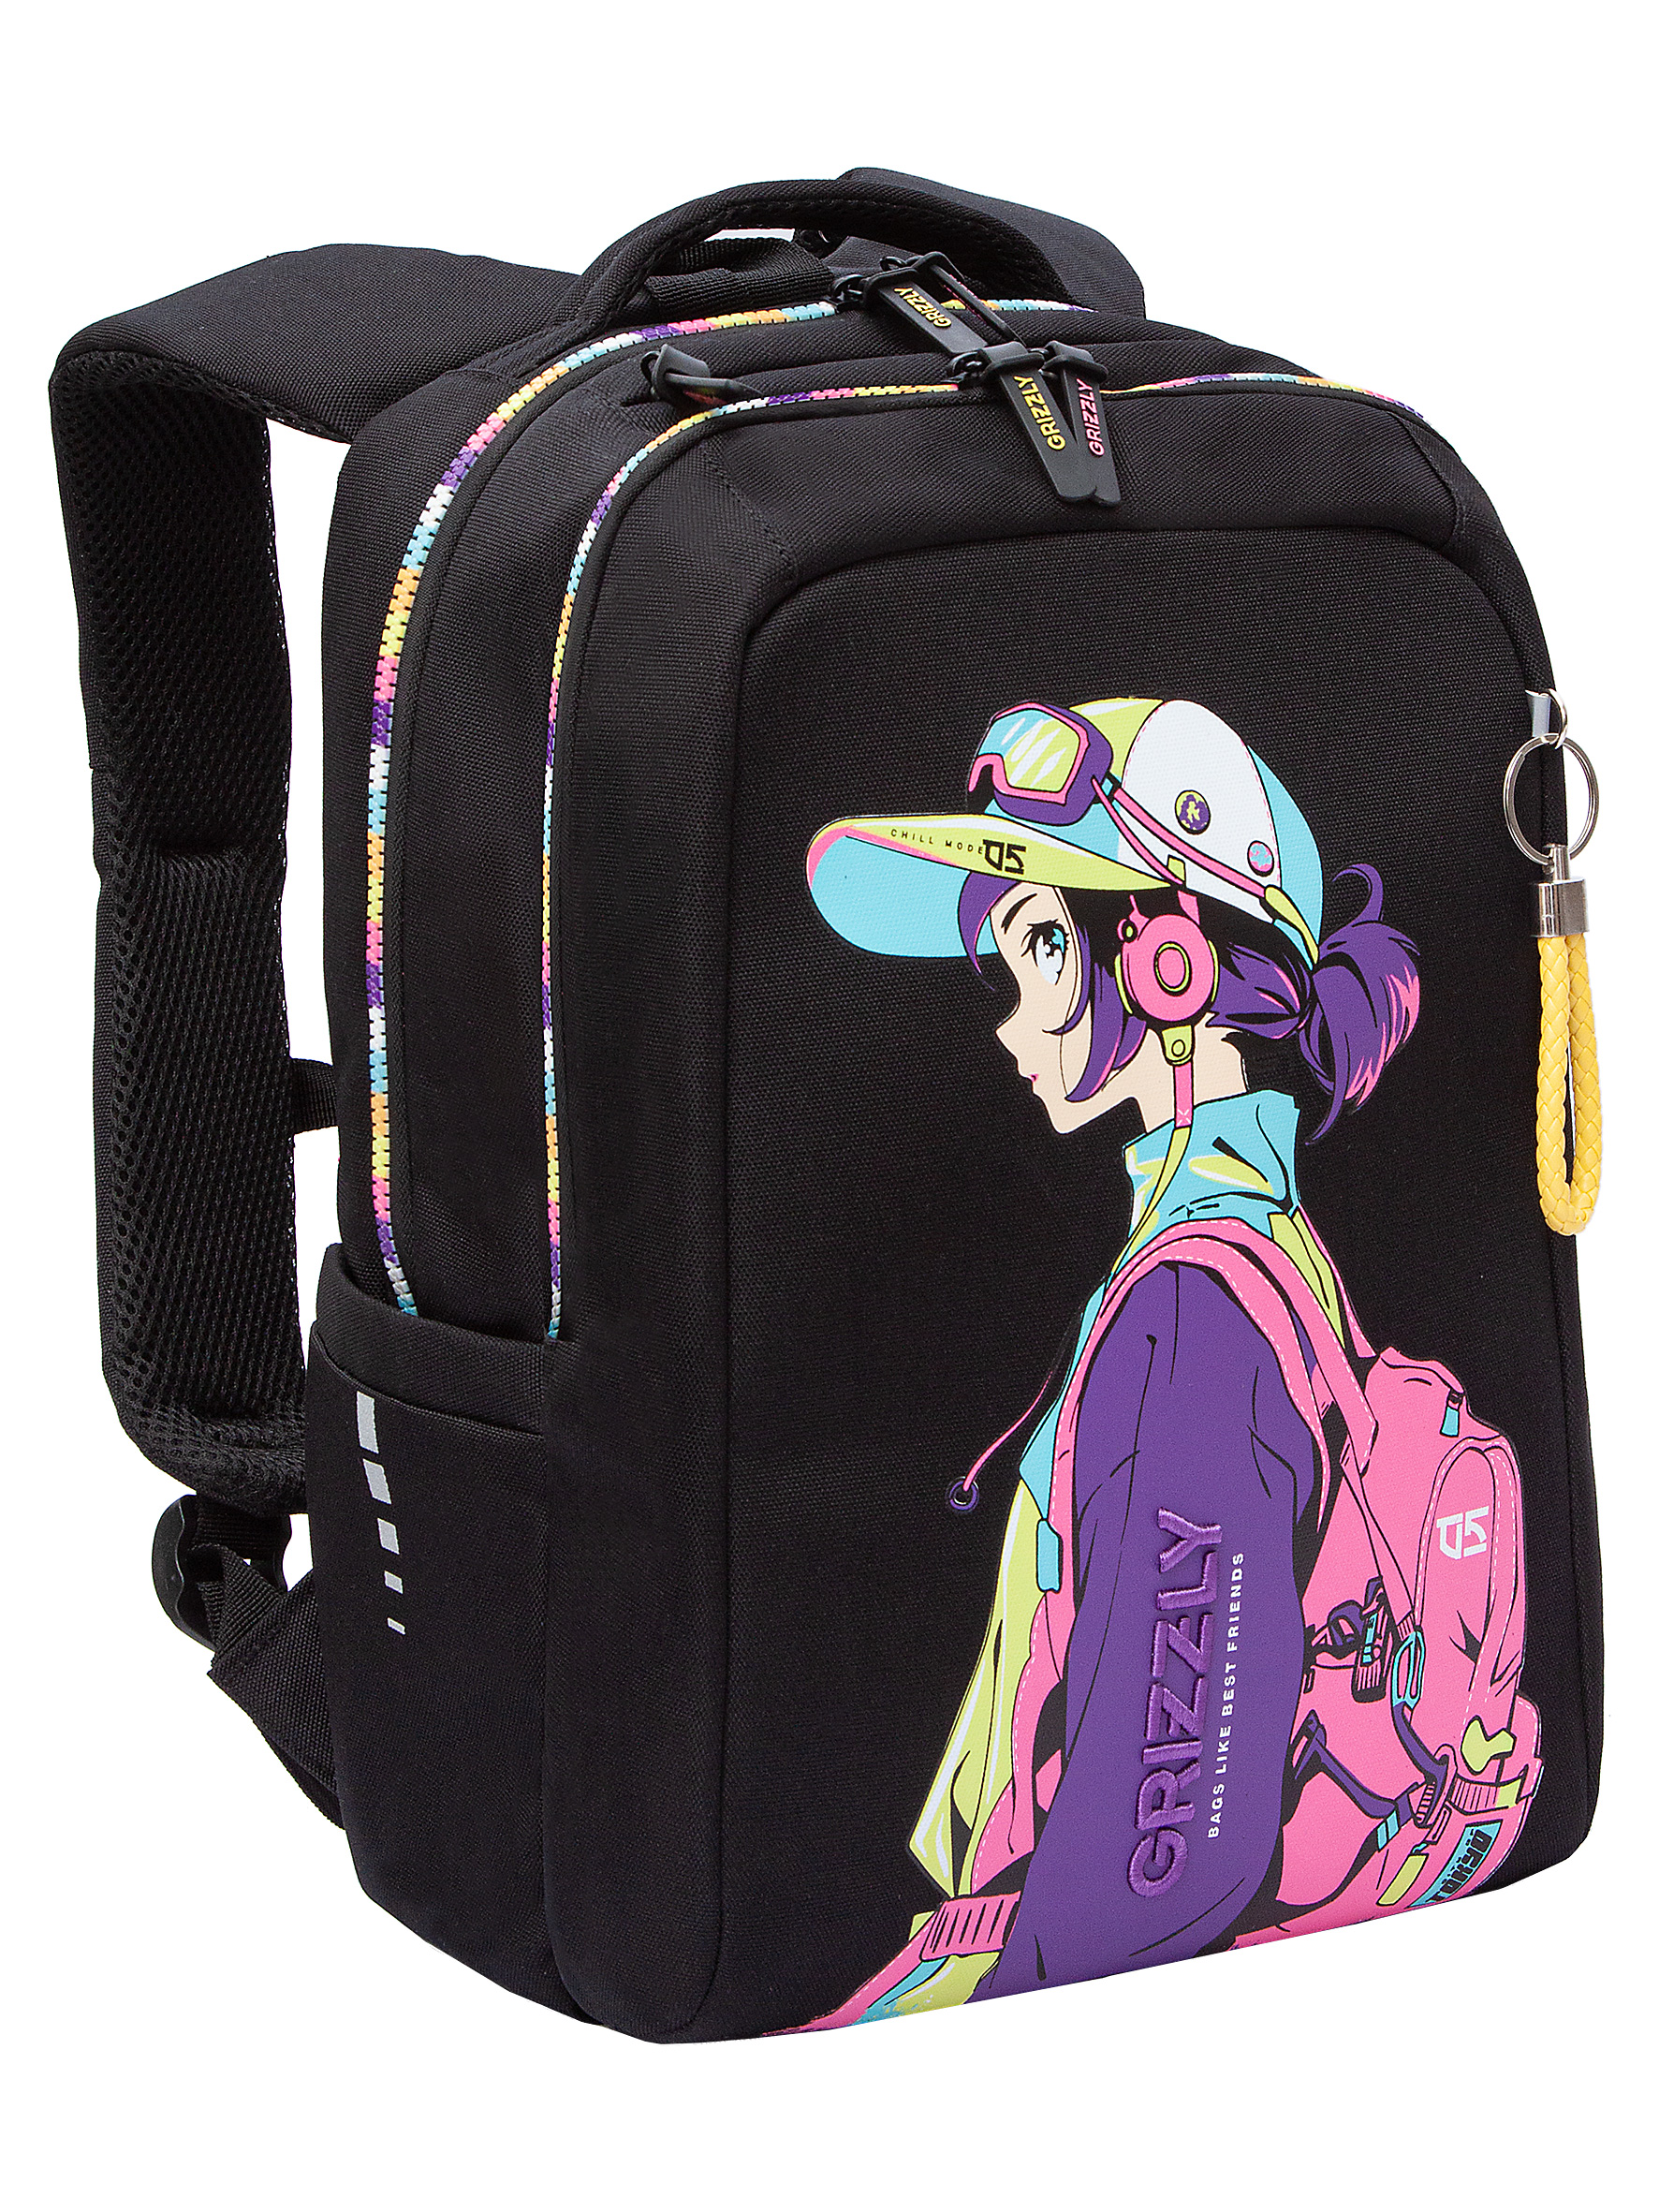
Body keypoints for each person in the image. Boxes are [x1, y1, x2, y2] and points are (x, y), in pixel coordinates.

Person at [800, 695, 1427, 2022]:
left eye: (1037, 946)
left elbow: (1160, 1867)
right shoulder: (1252, 1247)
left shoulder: (1190, 1314)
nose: (1009, 1020)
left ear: (1170, 964)